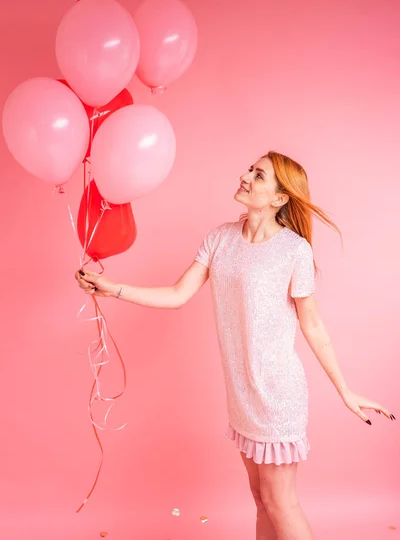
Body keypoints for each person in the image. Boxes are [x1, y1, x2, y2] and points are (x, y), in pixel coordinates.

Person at [76, 151, 395, 540]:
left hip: (277, 395)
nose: (245, 176)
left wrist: (345, 391)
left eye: (258, 176)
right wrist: (114, 289)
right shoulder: (220, 238)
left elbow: (312, 324)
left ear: (280, 198)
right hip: (241, 396)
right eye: (250, 169)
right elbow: (178, 294)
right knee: (261, 500)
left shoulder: (294, 250)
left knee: (281, 502)